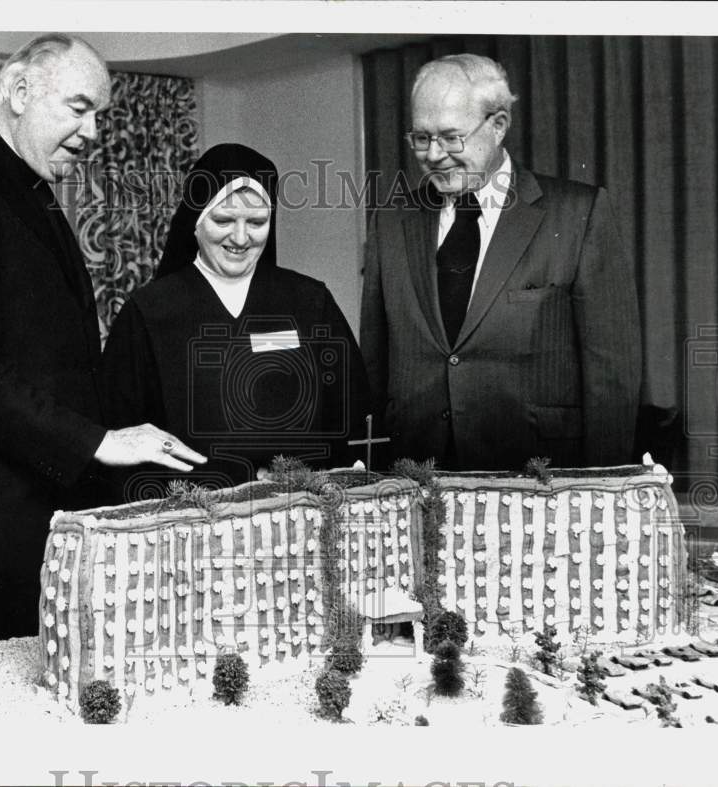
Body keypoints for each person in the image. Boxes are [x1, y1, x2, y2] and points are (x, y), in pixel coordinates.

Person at [0, 34, 204, 645]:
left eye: (100, 116)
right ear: (17, 90)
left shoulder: (28, 191)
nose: (92, 132)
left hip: (39, 523)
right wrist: (99, 442)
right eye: (78, 107)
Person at [360, 53, 641, 471]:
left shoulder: (579, 214)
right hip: (417, 482)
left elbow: (611, 378)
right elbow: (375, 367)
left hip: (541, 482)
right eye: (421, 138)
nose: (434, 155)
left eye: (451, 137)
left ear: (498, 126)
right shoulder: (390, 221)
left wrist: (602, 486)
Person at [100, 143, 372, 501]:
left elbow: (351, 414)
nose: (241, 238)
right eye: (224, 220)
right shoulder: (148, 312)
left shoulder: (309, 301)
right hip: (188, 519)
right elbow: (120, 437)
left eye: (257, 222)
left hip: (300, 511)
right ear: (195, 220)